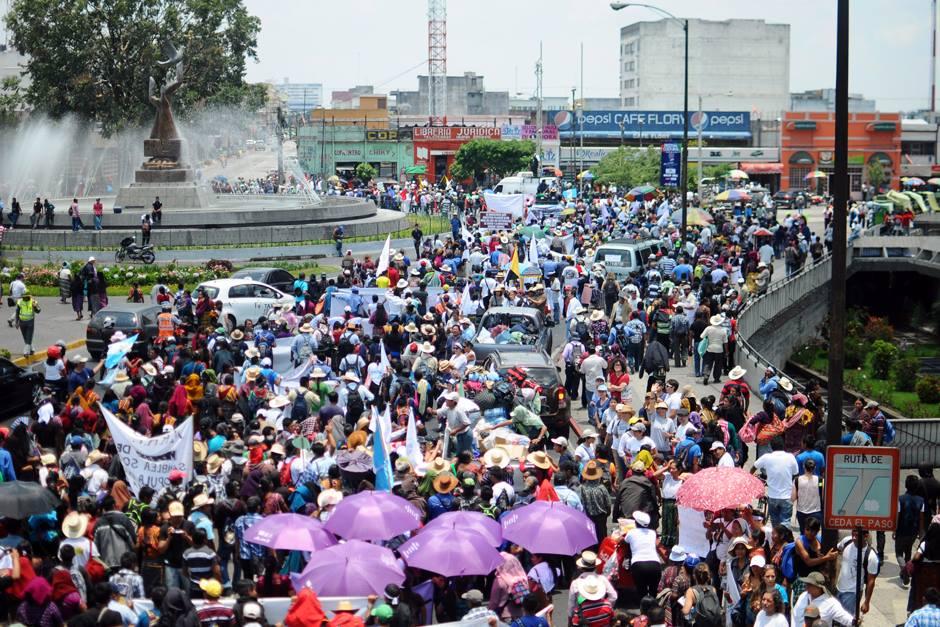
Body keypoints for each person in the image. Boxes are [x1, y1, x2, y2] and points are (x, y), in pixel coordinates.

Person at [752, 437, 798, 526]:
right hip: (787, 496)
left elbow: (754, 466)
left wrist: (750, 477)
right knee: (786, 522)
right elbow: (796, 473)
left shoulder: (766, 457)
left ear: (771, 446)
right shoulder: (790, 457)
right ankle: (785, 539)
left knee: (775, 523)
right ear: (783, 445)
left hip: (772, 496)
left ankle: (776, 538)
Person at [835, 528, 879, 618]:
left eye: (857, 536)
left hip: (852, 593)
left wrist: (866, 602)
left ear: (866, 536)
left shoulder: (871, 556)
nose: (854, 538)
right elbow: (838, 549)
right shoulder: (847, 541)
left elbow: (871, 581)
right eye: (853, 534)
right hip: (838, 588)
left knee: (847, 621)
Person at [625, 510, 663, 599]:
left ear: (636, 523)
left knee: (642, 593)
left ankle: (644, 610)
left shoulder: (631, 533)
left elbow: (624, 541)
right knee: (653, 593)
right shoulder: (653, 533)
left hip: (638, 565)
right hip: (655, 565)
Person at [792, 458, 822, 534]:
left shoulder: (797, 480)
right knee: (814, 534)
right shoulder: (820, 480)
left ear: (804, 467)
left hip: (801, 512)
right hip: (816, 511)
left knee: (803, 533)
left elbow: (793, 498)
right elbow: (823, 495)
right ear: (815, 468)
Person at [14, 290, 40, 357]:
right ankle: (32, 349)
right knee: (25, 337)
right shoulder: (19, 302)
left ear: (29, 296)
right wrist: (16, 322)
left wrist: (35, 306)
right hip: (22, 322)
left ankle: (26, 352)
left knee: (29, 337)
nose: (24, 298)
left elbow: (38, 311)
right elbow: (17, 312)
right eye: (23, 297)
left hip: (30, 322)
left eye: (26, 297)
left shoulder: (33, 301)